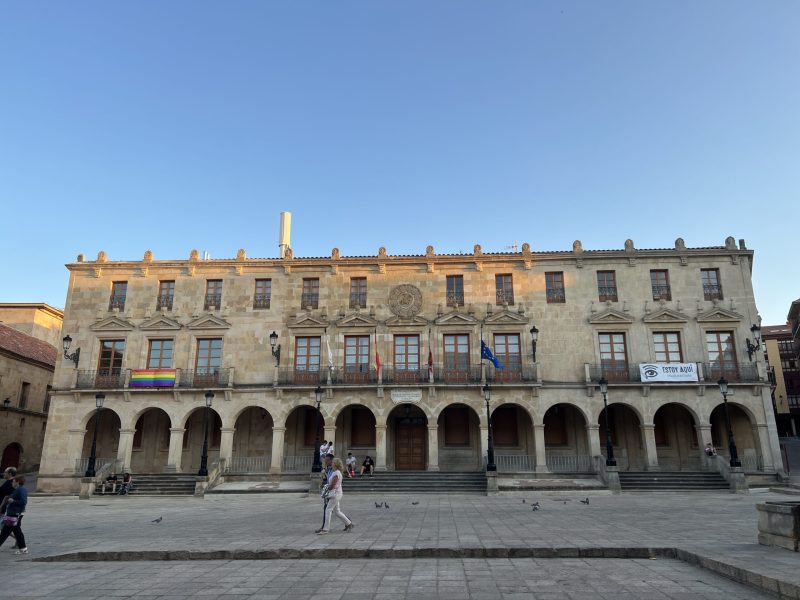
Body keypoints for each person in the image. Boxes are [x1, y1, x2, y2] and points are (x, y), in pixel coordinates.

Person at [317, 458, 353, 535]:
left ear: (335, 464)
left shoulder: (336, 473)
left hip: (335, 493)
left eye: (333, 462)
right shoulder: (336, 472)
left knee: (328, 510)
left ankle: (325, 529)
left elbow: (333, 485)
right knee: (337, 511)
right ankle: (349, 524)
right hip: (337, 493)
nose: (332, 463)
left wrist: (326, 489)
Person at [0, 475, 28, 554]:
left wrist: (12, 501)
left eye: (13, 481)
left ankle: (23, 548)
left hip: (15, 514)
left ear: (17, 482)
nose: (12, 483)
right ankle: (23, 548)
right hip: (14, 513)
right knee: (17, 532)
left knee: (5, 532)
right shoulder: (18, 489)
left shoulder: (21, 490)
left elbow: (23, 502)